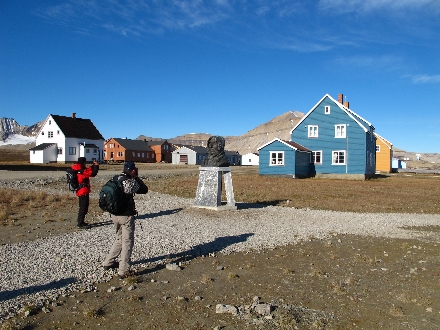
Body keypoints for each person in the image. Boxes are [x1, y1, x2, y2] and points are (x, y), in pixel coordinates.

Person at [102, 161, 148, 279]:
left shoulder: (116, 178)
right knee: (127, 242)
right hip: (126, 216)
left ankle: (108, 262)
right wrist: (136, 177)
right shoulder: (129, 182)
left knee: (119, 239)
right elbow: (144, 189)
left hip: (114, 215)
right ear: (133, 170)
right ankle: (124, 270)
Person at [71, 157, 99, 228]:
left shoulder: (77, 168)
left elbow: (88, 170)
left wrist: (93, 165)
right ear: (83, 162)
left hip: (81, 190)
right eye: (85, 162)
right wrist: (96, 166)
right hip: (83, 191)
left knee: (83, 207)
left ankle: (81, 222)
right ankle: (80, 223)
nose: (86, 163)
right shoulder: (81, 170)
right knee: (83, 207)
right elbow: (92, 173)